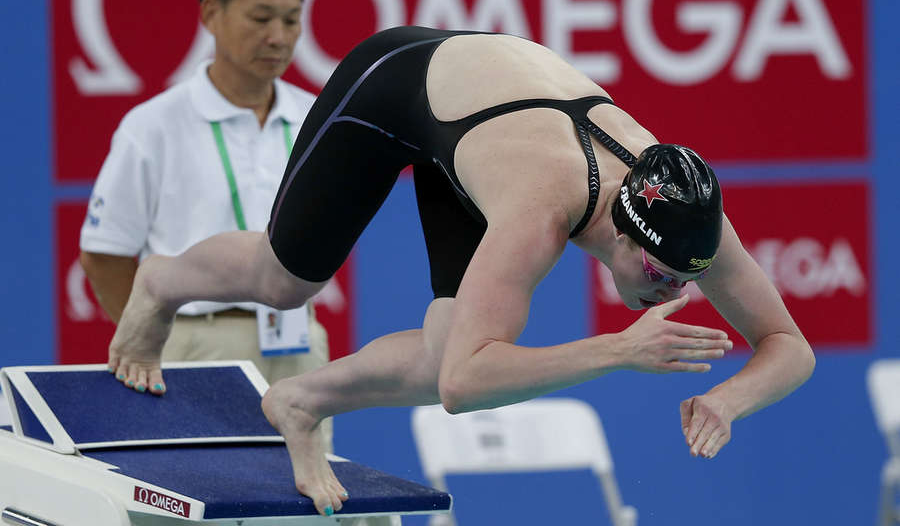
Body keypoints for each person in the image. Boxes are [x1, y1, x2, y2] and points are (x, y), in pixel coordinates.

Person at [106, 26, 816, 517]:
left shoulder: (690, 219)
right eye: (663, 274)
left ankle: (303, 400)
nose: (675, 292)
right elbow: (463, 388)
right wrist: (619, 351)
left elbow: (792, 348)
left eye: (686, 278)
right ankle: (162, 283)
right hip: (400, 84)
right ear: (625, 234)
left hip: (493, 122)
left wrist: (730, 401)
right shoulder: (540, 210)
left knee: (450, 342)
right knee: (286, 280)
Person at [80, 0, 331, 446]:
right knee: (194, 504)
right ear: (211, 13)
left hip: (297, 342)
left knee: (307, 507)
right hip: (194, 344)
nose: (278, 37)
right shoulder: (153, 125)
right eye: (260, 18)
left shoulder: (319, 120)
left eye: (291, 19)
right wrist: (153, 329)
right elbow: (104, 255)